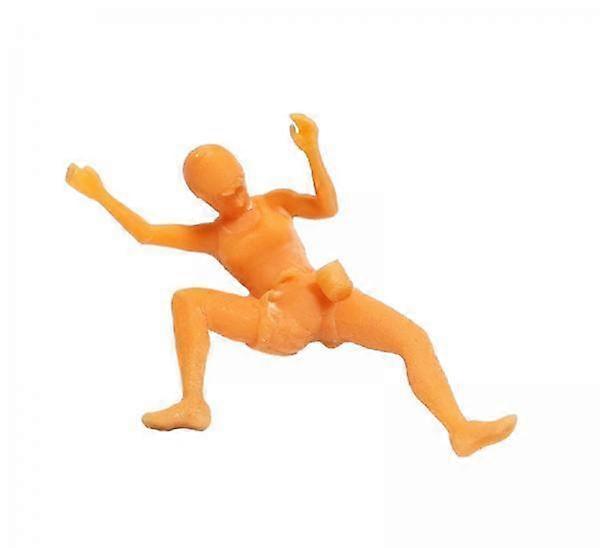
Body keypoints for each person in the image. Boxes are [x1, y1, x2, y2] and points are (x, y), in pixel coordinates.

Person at [66, 114, 516, 456]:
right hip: (278, 317)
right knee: (187, 300)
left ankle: (460, 429)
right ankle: (193, 403)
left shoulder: (275, 202)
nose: (238, 196)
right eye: (224, 195)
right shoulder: (212, 237)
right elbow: (146, 233)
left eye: (240, 184)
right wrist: (99, 193)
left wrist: (312, 150)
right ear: (204, 199)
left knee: (413, 338)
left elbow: (327, 206)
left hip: (325, 295)